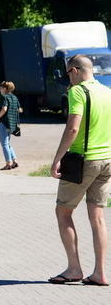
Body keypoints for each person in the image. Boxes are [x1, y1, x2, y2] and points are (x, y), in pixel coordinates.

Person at [48, 55, 110, 286]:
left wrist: (57, 159)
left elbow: (73, 128)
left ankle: (74, 268)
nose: (68, 79)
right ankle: (100, 273)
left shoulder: (78, 92)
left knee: (63, 212)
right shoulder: (107, 91)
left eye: (67, 74)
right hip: (106, 159)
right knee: (98, 217)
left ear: (74, 70)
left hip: (82, 161)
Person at [0, 81, 20, 170]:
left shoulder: (3, 97)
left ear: (5, 89)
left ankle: (8, 163)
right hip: (12, 124)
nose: (0, 89)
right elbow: (19, 110)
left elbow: (4, 108)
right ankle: (14, 160)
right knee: (8, 143)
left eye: (1, 88)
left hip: (3, 123)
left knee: (4, 144)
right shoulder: (14, 97)